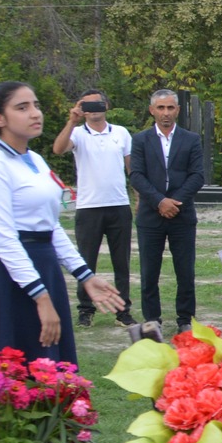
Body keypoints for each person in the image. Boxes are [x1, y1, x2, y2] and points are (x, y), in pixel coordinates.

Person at [0, 81, 127, 363]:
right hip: (9, 276)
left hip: (44, 265)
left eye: (36, 105)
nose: (35, 113)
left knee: (49, 369)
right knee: (11, 366)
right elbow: (3, 238)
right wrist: (40, 296)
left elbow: (50, 226)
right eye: (22, 108)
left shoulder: (35, 159)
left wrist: (85, 275)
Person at [52, 87, 134, 326]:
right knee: (86, 260)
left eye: (96, 105)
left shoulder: (121, 133)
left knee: (122, 261)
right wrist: (72, 120)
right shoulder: (77, 134)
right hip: (89, 207)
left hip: (119, 204)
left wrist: (138, 197)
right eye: (86, 105)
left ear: (106, 106)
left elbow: (131, 168)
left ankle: (123, 310)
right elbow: (58, 149)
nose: (92, 110)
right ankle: (85, 309)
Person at [128, 88, 206, 337]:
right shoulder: (140, 140)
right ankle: (152, 319)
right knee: (149, 271)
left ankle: (185, 318)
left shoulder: (191, 139)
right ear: (152, 110)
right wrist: (159, 201)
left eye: (170, 108)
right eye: (161, 108)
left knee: (185, 270)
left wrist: (174, 202)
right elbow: (136, 175)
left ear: (178, 111)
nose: (165, 113)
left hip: (182, 216)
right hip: (151, 216)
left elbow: (197, 176)